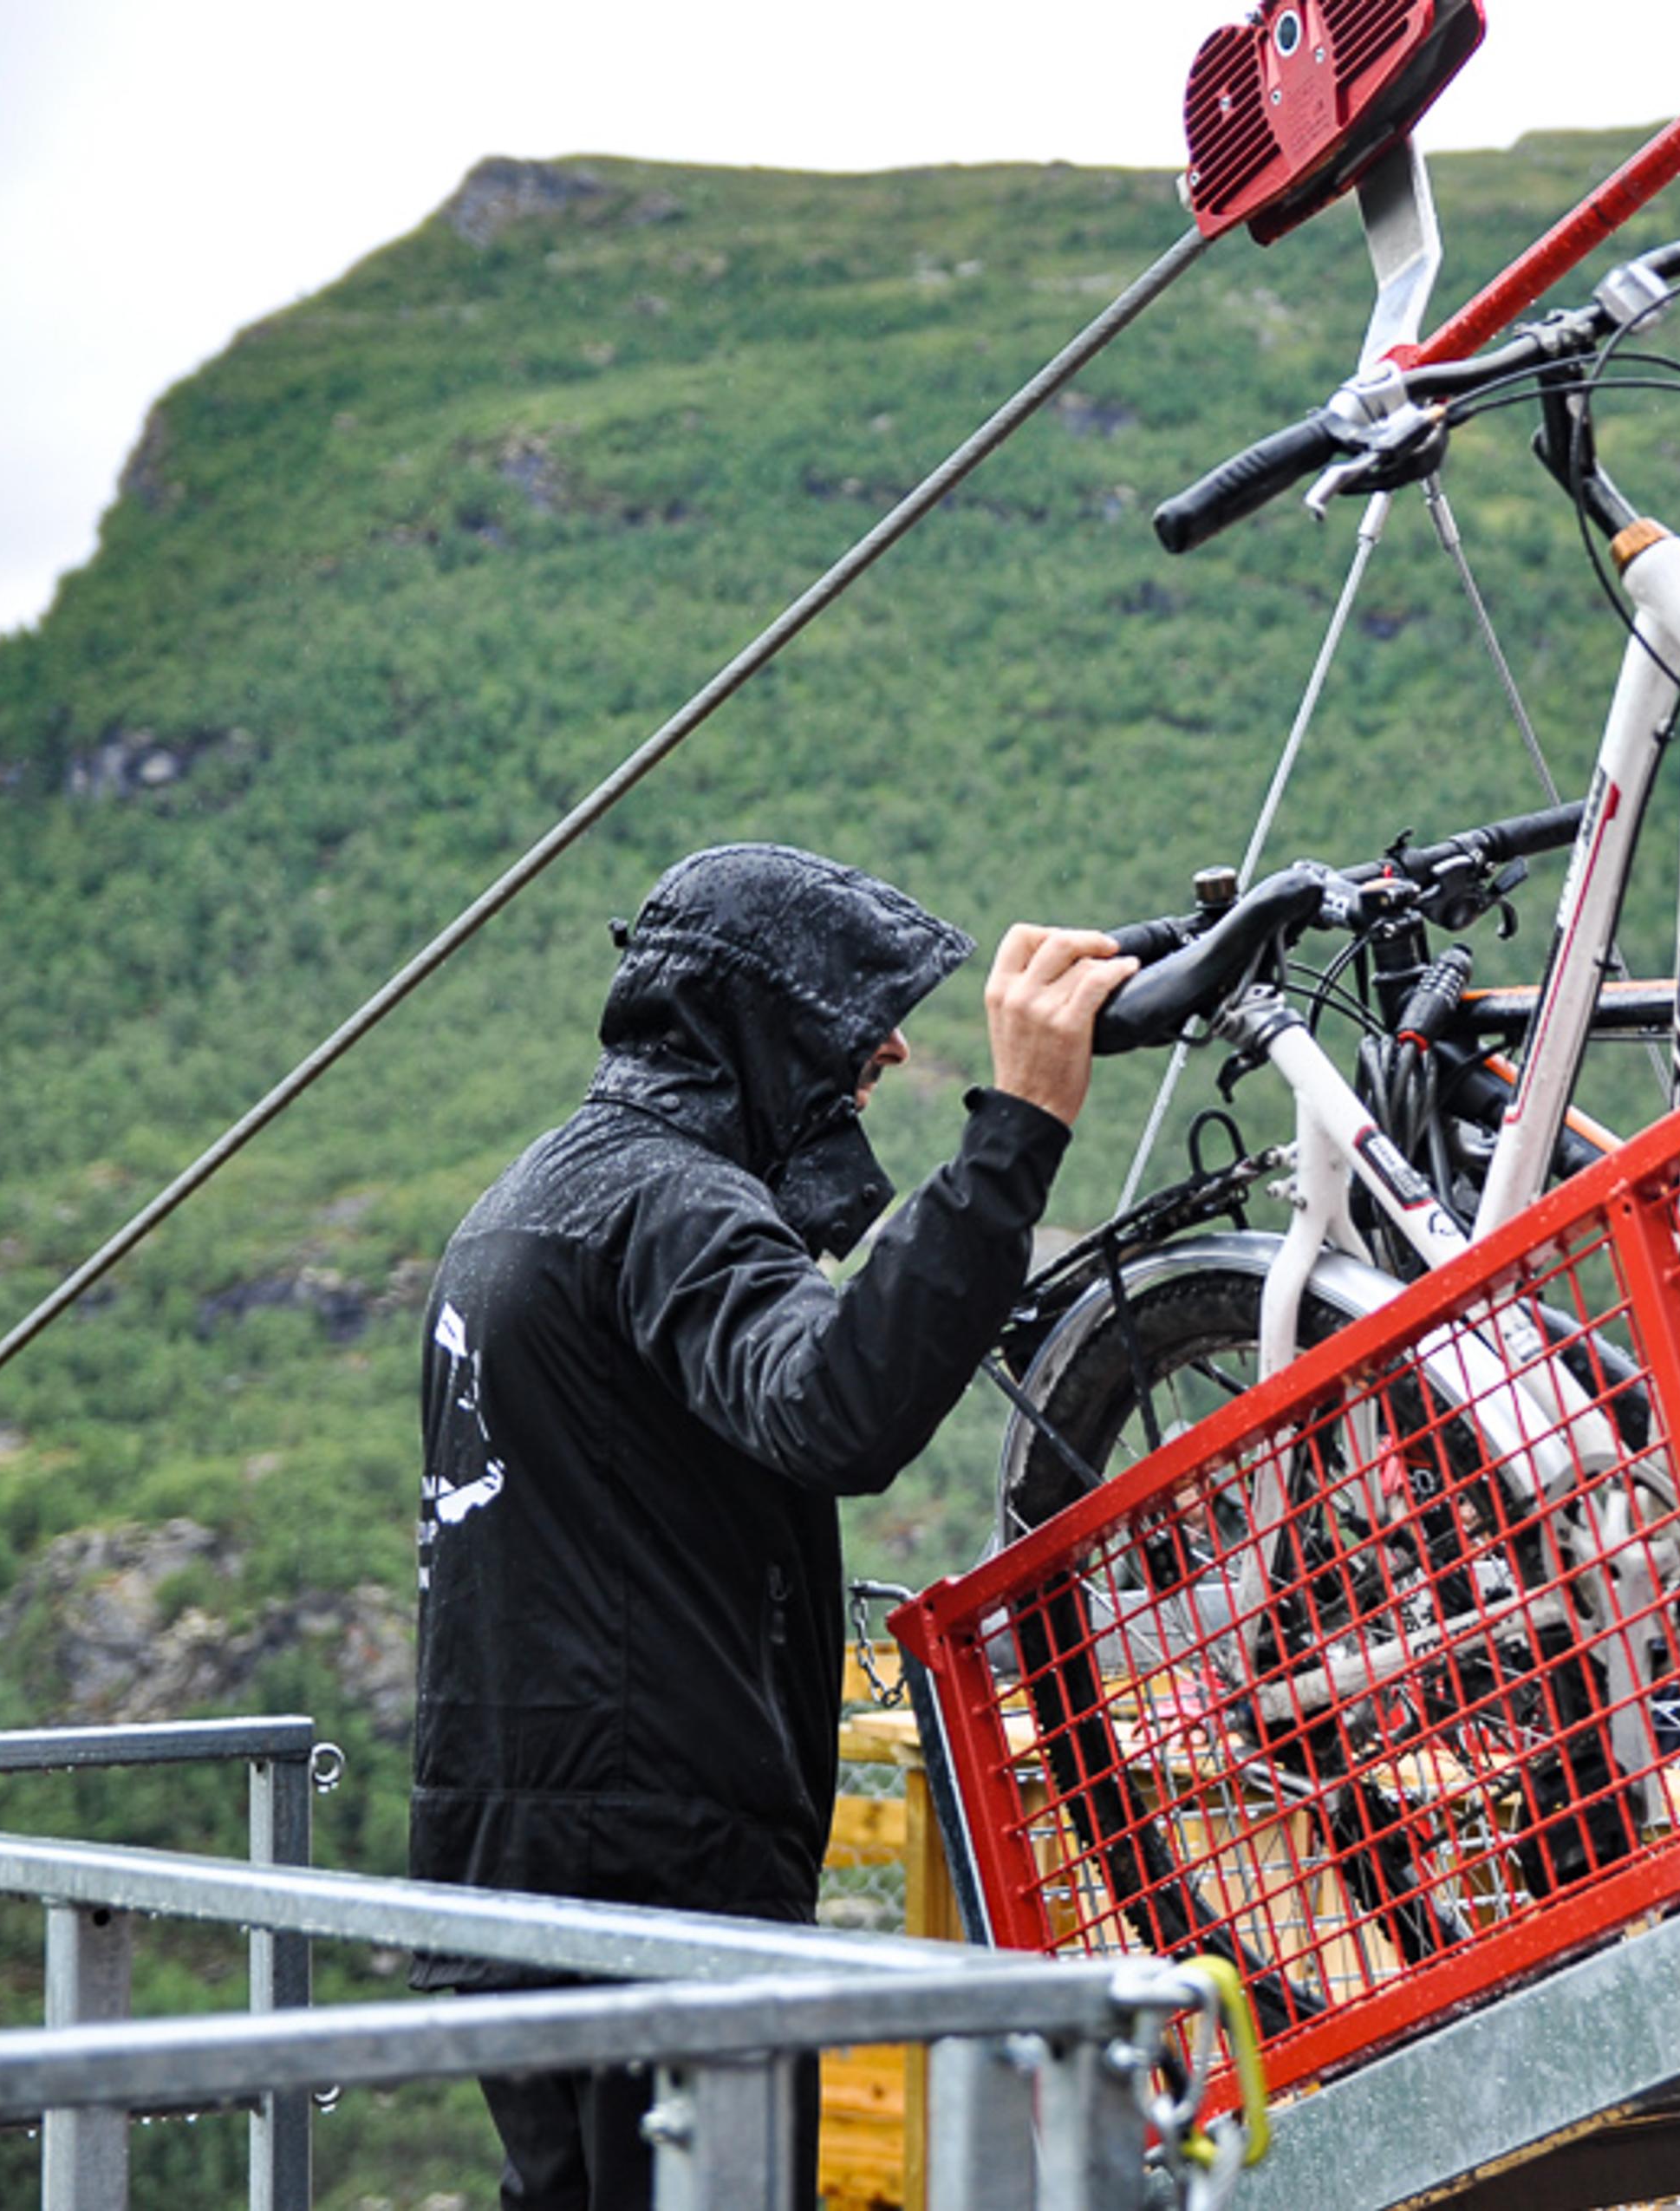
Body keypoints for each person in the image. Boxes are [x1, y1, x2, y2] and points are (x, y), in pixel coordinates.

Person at [407, 842, 1132, 2211]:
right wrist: (1018, 1131)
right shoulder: (668, 1203)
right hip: (656, 1889)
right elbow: (833, 1406)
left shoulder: (526, 1204)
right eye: (853, 1025)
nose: (889, 1049)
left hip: (513, 1862)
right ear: (760, 1032)